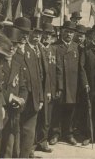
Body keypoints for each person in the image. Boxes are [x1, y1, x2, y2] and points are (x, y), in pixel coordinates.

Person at [20, 22, 49, 158]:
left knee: (30, 129)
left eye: (39, 34)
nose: (37, 36)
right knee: (20, 128)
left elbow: (40, 76)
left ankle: (27, 153)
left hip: (36, 97)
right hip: (24, 96)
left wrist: (41, 97)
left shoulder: (38, 49)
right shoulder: (22, 49)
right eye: (34, 33)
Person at [0, 25, 28, 158]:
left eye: (15, 45)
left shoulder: (18, 63)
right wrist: (11, 97)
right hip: (0, 108)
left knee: (10, 147)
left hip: (14, 111)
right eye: (9, 44)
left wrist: (21, 99)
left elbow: (23, 86)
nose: (12, 48)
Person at [49, 21, 80, 146]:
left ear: (74, 34)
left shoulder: (77, 47)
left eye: (71, 32)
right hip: (59, 85)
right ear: (62, 32)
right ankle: (55, 133)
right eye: (66, 31)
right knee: (57, 109)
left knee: (70, 110)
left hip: (73, 85)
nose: (69, 34)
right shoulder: (55, 46)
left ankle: (69, 133)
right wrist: (58, 85)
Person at [35, 23, 57, 153]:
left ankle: (43, 141)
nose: (47, 37)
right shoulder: (37, 48)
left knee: (46, 117)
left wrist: (57, 88)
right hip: (38, 87)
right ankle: (33, 142)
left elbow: (57, 70)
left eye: (49, 35)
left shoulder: (53, 50)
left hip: (50, 88)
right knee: (35, 115)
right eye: (45, 34)